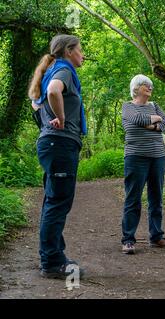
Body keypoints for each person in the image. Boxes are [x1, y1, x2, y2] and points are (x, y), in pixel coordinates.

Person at [28, 34, 86, 278]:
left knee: (53, 200)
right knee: (58, 202)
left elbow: (35, 102)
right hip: (60, 143)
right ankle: (52, 263)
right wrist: (61, 119)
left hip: (52, 143)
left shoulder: (49, 71)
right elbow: (53, 92)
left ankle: (52, 255)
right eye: (80, 50)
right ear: (69, 51)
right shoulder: (62, 71)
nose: (82, 55)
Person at [121, 74, 165, 254]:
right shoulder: (128, 107)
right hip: (135, 157)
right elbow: (135, 121)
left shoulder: (154, 106)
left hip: (157, 157)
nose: (149, 88)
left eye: (150, 86)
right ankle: (128, 240)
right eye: (145, 85)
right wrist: (155, 120)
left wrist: (155, 124)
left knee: (156, 197)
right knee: (133, 198)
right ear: (136, 88)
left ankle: (156, 236)